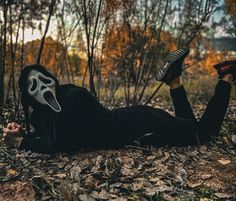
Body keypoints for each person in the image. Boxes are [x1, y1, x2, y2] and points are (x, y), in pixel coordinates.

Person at [3, 48, 235, 154]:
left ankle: (227, 75)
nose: (43, 86)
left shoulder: (74, 98)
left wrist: (23, 143)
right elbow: (52, 135)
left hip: (143, 124)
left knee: (202, 135)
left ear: (52, 79)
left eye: (44, 79)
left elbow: (63, 145)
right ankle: (173, 79)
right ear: (30, 98)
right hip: (141, 134)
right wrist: (26, 134)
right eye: (35, 86)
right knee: (190, 127)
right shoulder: (41, 114)